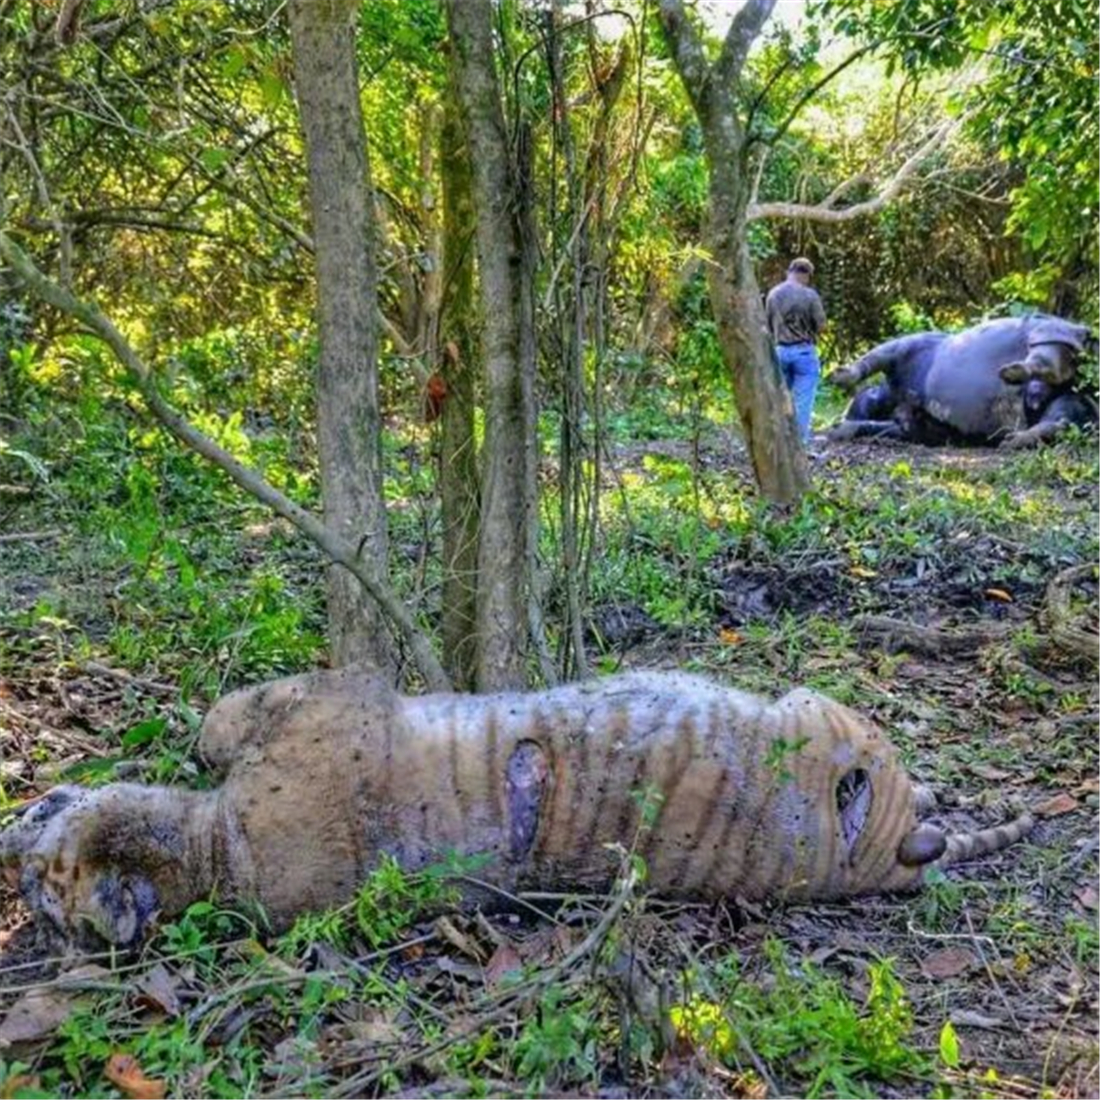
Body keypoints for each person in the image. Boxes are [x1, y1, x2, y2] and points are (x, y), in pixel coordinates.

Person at [765, 257, 826, 444]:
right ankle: (798, 446)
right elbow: (822, 326)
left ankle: (777, 441)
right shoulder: (810, 295)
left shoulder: (773, 294)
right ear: (806, 275)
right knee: (802, 402)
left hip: (780, 351)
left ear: (789, 272)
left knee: (779, 399)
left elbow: (767, 325)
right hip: (804, 353)